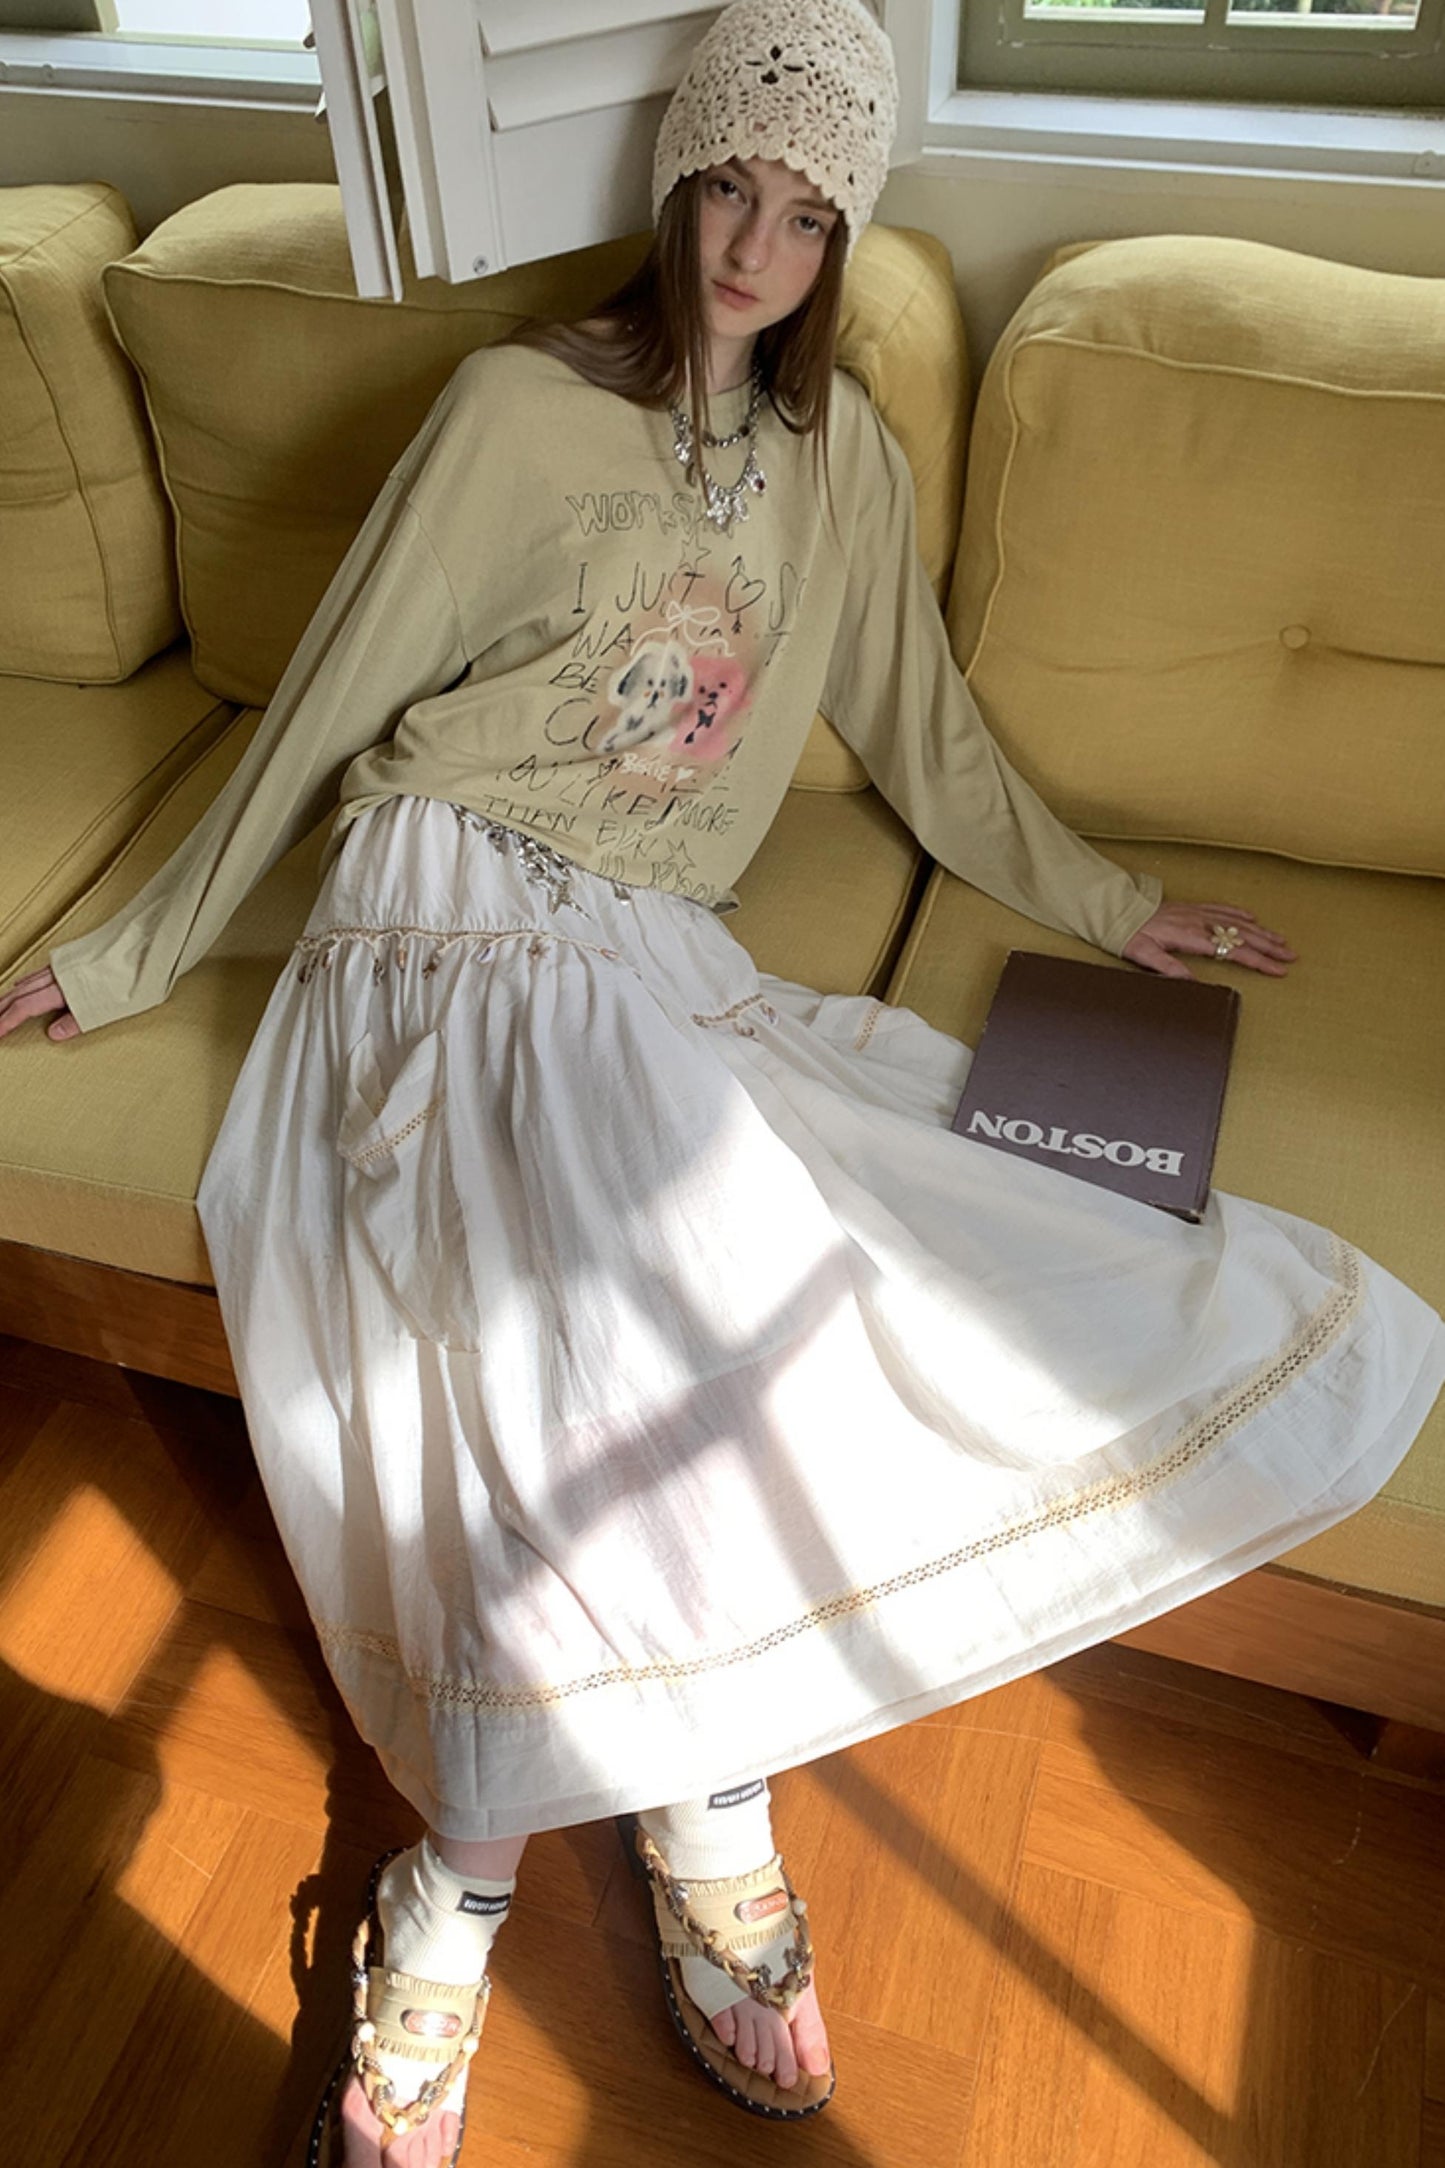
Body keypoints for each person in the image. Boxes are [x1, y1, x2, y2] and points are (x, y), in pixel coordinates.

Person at [3, 1, 1443, 2161]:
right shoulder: (512, 411)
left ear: (844, 231)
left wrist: (1119, 902)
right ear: (677, 183)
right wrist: (128, 946)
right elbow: (322, 708)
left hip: (645, 950)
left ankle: (561, 1841)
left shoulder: (841, 461)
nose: (756, 247)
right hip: (442, 902)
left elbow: (932, 736)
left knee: (711, 1285)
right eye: (728, 191)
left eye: (806, 212)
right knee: (571, 1305)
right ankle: (613, 1844)